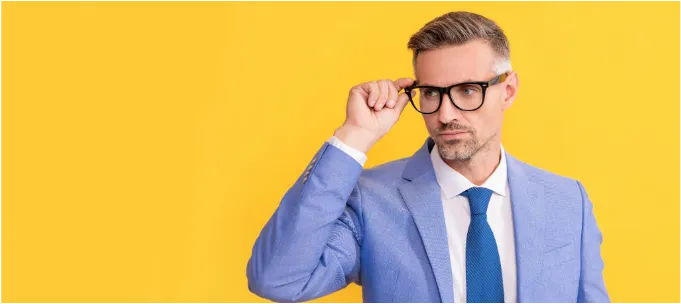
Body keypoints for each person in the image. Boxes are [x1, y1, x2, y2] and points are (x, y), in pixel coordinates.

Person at [246, 11, 610, 304]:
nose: (446, 113)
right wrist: (354, 135)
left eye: (468, 91)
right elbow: (278, 280)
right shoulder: (371, 200)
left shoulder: (567, 201)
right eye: (432, 93)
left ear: (508, 90)